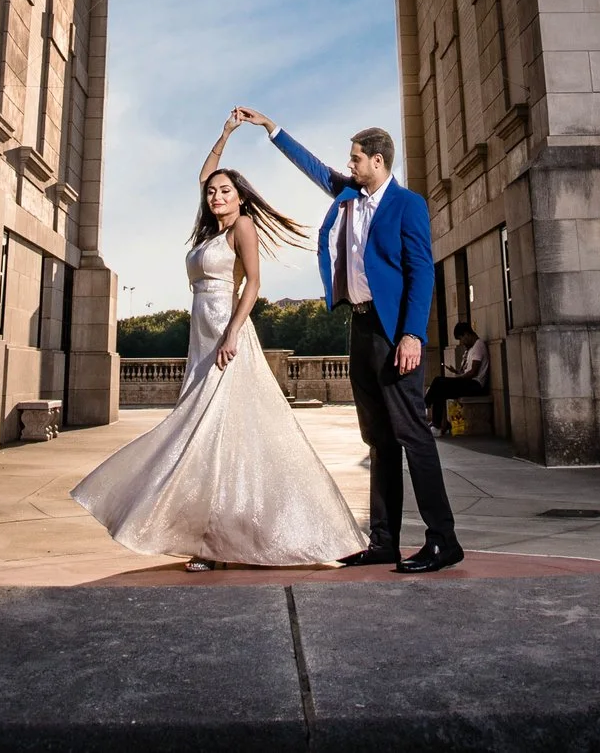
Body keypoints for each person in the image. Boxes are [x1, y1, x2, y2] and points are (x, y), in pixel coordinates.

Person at [71, 112, 364, 570]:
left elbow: (253, 286)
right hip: (200, 335)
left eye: (226, 190)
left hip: (227, 334)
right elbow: (205, 173)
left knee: (214, 433)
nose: (216, 195)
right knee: (199, 432)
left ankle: (219, 540)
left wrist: (231, 334)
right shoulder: (211, 230)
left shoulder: (241, 228)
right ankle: (204, 536)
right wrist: (225, 134)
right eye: (212, 191)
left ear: (240, 197)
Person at [235, 106, 464, 574]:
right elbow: (313, 167)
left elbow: (422, 273)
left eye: (356, 158)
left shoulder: (408, 205)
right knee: (379, 440)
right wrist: (271, 128)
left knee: (413, 435)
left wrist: (413, 334)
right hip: (359, 328)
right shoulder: (347, 194)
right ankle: (383, 542)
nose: (350, 165)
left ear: (378, 161)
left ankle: (443, 540)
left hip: (393, 331)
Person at [427, 322, 491, 434]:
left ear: (467, 334)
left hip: (475, 385)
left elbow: (473, 372)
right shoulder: (471, 349)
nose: (462, 342)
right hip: (469, 382)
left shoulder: (478, 346)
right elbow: (467, 370)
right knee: (440, 389)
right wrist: (457, 372)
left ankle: (426, 404)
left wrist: (459, 378)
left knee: (438, 381)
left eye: (461, 338)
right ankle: (439, 425)